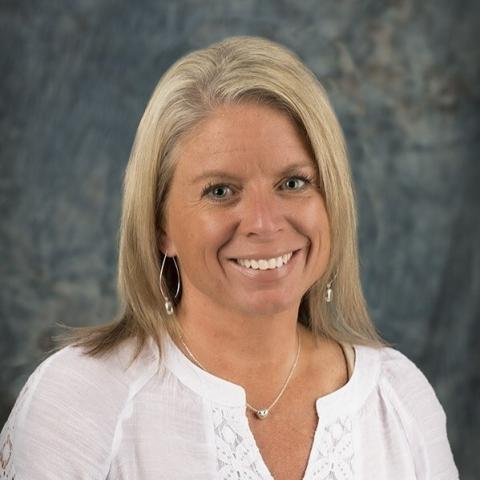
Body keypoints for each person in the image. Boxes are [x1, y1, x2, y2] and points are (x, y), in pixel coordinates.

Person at [0, 36, 458, 480]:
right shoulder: (80, 401)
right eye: (220, 191)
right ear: (160, 227)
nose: (263, 222)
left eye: (293, 183)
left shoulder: (398, 400)